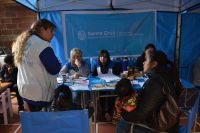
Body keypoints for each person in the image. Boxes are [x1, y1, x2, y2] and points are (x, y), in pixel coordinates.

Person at [117, 50, 182, 133]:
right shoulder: (167, 76)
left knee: (121, 122)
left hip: (160, 127)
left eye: (146, 60)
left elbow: (140, 115)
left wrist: (122, 112)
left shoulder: (156, 82)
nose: (143, 62)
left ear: (154, 64)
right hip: (167, 122)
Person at [12, 19, 61, 112]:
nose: (53, 34)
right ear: (42, 29)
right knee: (42, 122)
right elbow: (54, 69)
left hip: (25, 90)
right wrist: (58, 64)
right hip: (39, 93)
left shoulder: (24, 42)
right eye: (51, 31)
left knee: (33, 121)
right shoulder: (43, 45)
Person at [91, 49, 123, 121]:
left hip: (111, 86)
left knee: (111, 96)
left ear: (108, 58)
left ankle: (110, 112)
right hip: (100, 86)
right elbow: (92, 77)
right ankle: (104, 113)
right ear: (99, 57)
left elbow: (118, 75)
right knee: (100, 96)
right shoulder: (96, 65)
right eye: (101, 57)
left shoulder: (113, 65)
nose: (103, 59)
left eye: (105, 57)